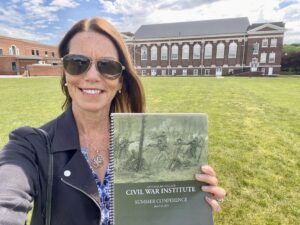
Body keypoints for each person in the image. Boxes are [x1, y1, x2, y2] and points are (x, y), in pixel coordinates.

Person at [0, 17, 226, 225]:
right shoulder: (30, 146)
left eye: (107, 66)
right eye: (78, 63)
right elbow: (6, 199)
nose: (91, 76)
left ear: (120, 82)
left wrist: (192, 201)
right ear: (65, 74)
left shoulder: (142, 140)